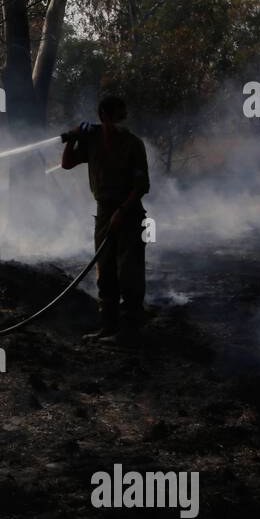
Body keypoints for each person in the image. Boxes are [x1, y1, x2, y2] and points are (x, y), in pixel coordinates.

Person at [61, 94, 150, 341]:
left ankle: (131, 329)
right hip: (103, 212)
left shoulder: (134, 144)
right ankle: (109, 326)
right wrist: (73, 137)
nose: (121, 122)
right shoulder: (93, 141)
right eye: (116, 117)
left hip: (130, 212)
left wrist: (122, 212)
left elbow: (142, 185)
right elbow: (67, 164)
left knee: (129, 270)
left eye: (123, 117)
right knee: (105, 269)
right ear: (103, 117)